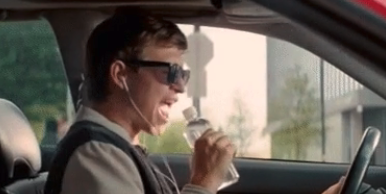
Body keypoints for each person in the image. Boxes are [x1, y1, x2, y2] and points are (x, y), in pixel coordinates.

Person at [44, 8, 235, 194]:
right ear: (120, 75)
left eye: (183, 75)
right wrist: (202, 184)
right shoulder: (96, 155)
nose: (180, 87)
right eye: (169, 72)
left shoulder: (116, 149)